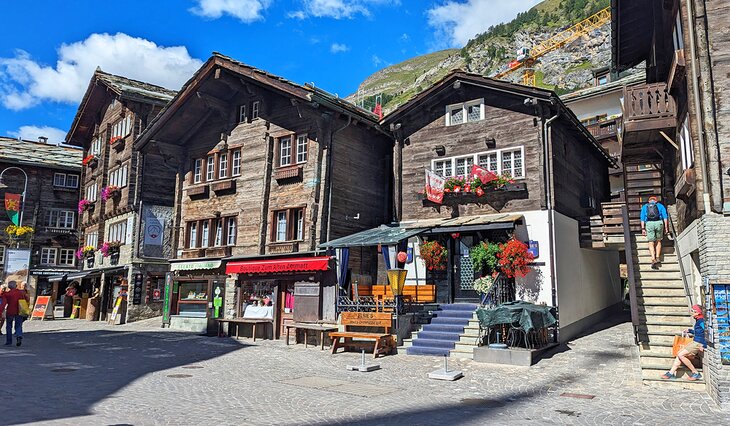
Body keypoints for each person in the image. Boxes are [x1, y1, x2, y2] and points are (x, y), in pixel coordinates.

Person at [661, 304, 706, 381]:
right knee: (679, 354)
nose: (692, 313)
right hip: (695, 341)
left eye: (693, 311)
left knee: (680, 354)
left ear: (698, 312)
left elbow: (706, 332)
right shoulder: (698, 320)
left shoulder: (701, 321)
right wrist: (690, 330)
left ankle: (695, 373)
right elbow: (699, 332)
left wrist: (704, 345)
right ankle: (671, 373)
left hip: (698, 343)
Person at [640, 196, 669, 268]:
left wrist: (643, 228)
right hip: (659, 223)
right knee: (658, 241)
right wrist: (666, 228)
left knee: (651, 242)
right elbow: (665, 217)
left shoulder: (645, 207)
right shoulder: (660, 206)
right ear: (656, 201)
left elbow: (642, 218)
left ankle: (653, 259)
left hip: (649, 224)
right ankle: (658, 257)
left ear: (649, 201)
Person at [2, 281, 29, 346]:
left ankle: (9, 341)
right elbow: (27, 299)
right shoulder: (21, 293)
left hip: (10, 311)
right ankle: (19, 335)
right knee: (18, 325)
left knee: (9, 326)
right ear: (16, 286)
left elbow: (3, 301)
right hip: (20, 310)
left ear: (9, 286)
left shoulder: (7, 294)